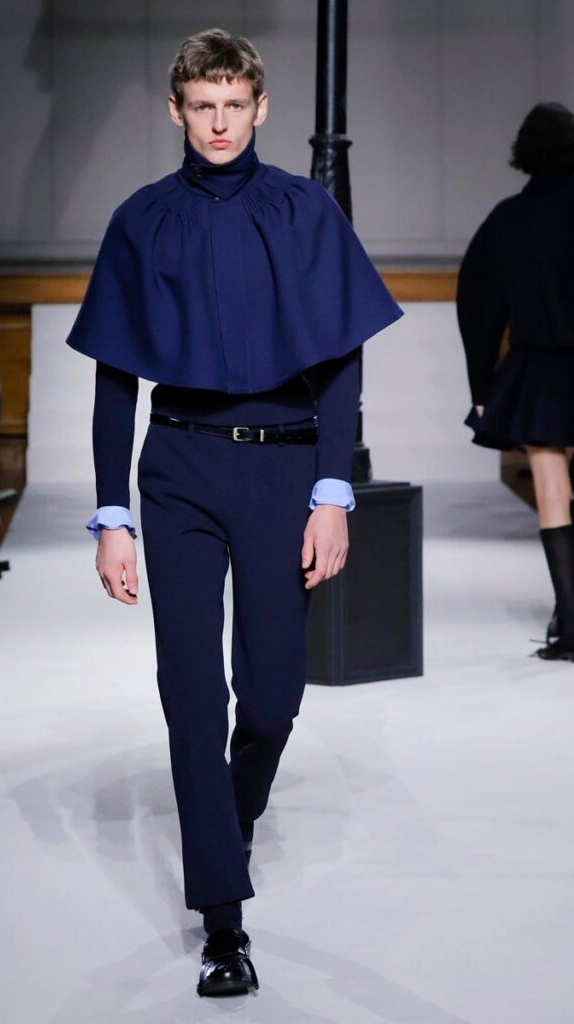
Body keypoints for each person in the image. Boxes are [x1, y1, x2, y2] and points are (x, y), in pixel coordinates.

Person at [66, 28, 402, 996]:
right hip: (176, 467)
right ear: (176, 110)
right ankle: (223, 920)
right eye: (201, 107)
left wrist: (332, 491)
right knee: (189, 690)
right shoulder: (142, 219)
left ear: (260, 109)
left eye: (233, 106)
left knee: (269, 699)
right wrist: (111, 514)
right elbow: (114, 378)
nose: (218, 124)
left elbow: (339, 359)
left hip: (284, 471)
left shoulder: (303, 211)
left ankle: (230, 812)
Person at [457, 101, 574, 662]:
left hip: (541, 372)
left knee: (553, 493)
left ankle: (571, 627)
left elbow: (477, 307)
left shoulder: (508, 220)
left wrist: (482, 388)